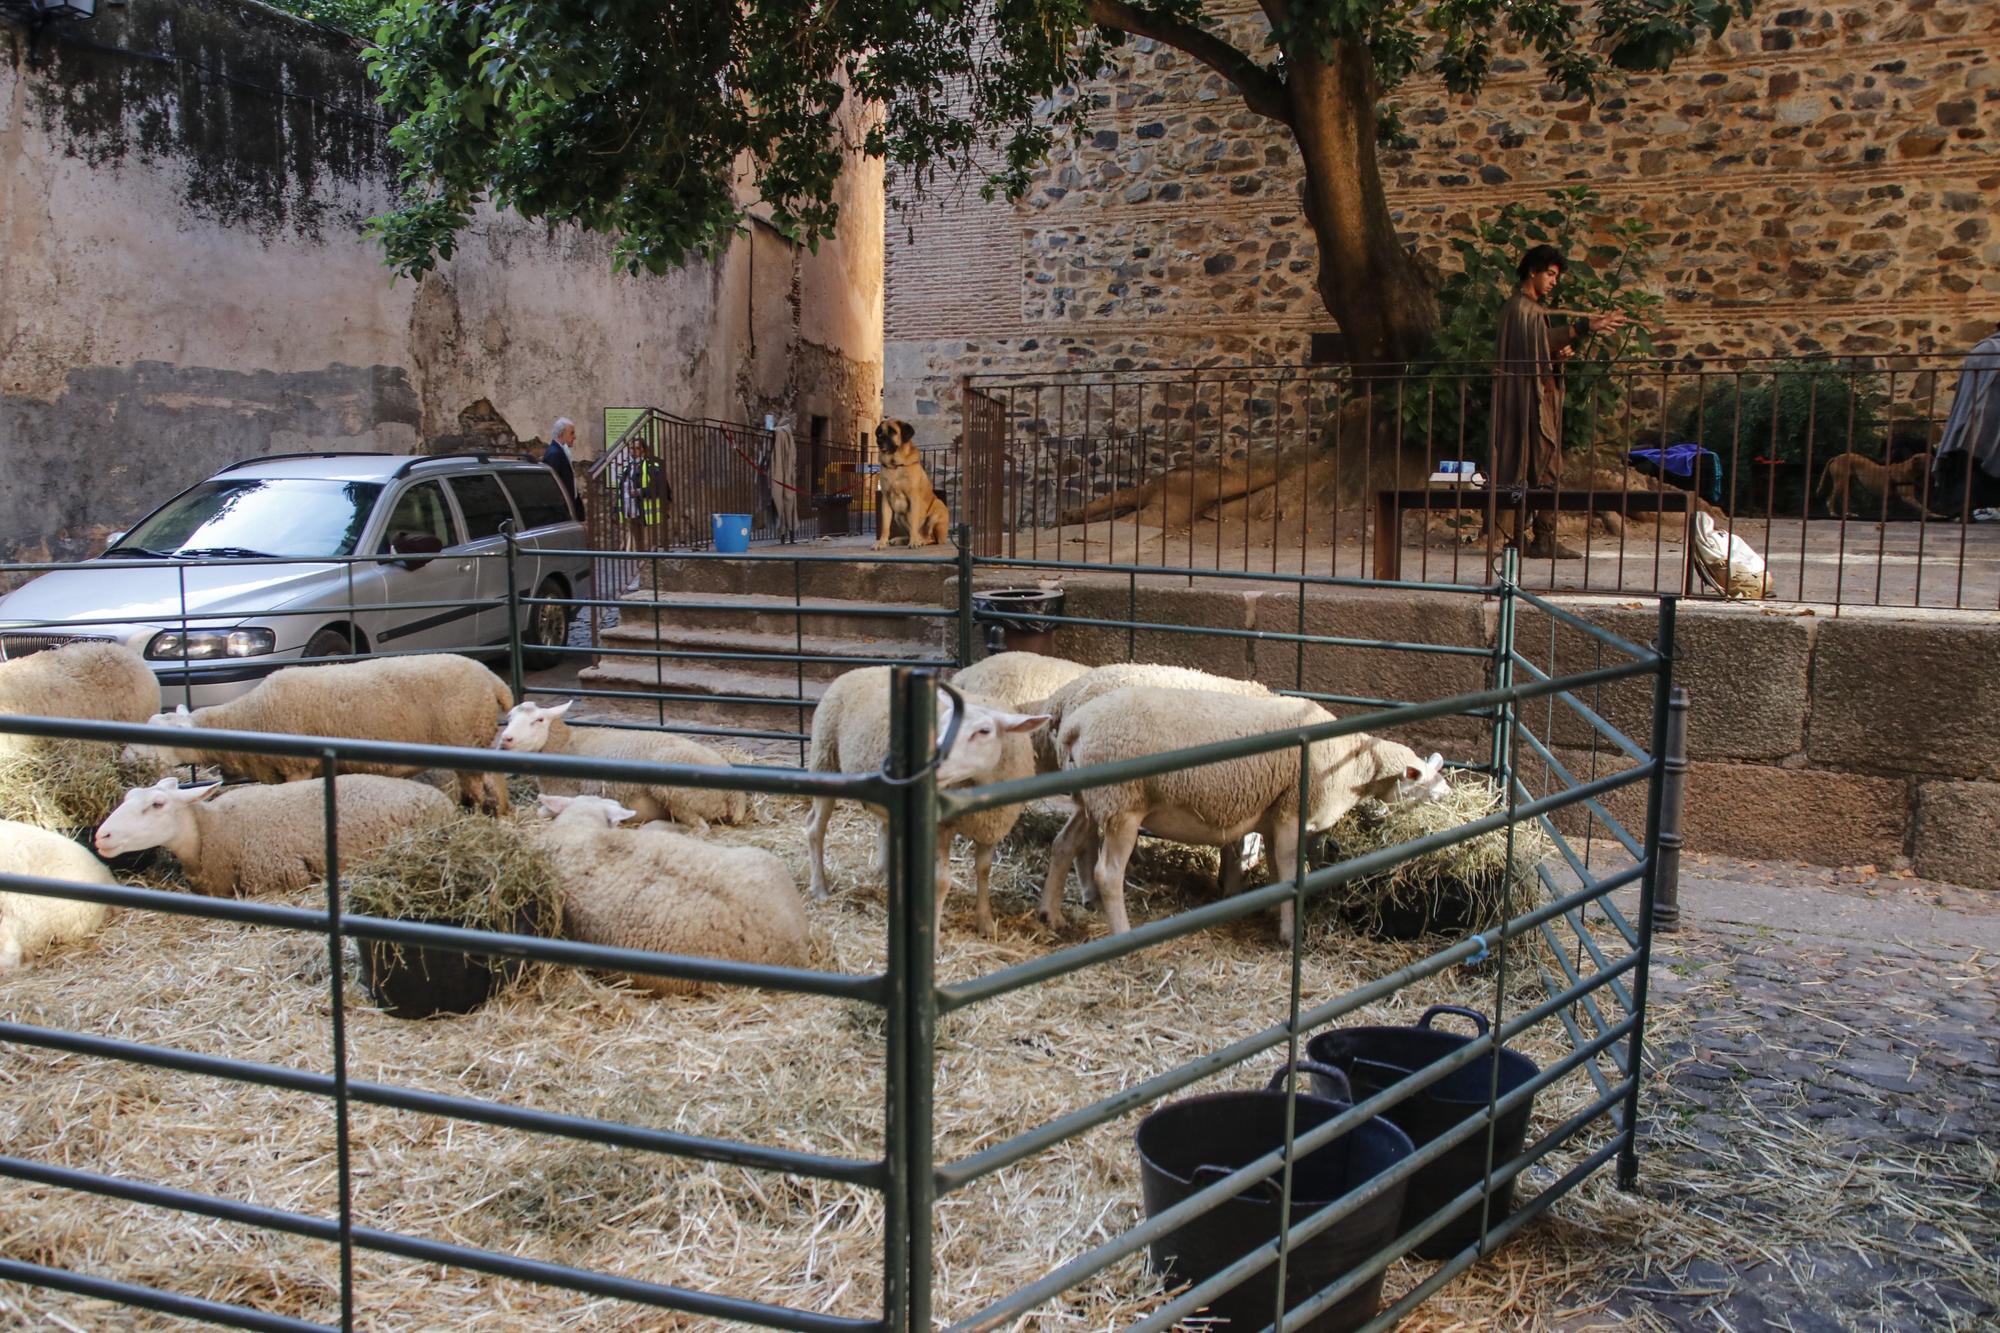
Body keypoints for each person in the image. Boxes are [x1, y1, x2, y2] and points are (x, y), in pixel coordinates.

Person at [1489, 245, 1628, 558]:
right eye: (1550, 274)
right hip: (1525, 400)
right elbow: (1533, 346)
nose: (1553, 281)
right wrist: (1581, 327)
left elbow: (1539, 350)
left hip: (1541, 397)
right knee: (1532, 463)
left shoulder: (1534, 309)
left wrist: (1559, 353)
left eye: (1556, 276)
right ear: (1532, 272)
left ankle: (1542, 536)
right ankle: (1521, 536)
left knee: (1546, 464)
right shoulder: (1520, 309)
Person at [1930, 322, 2000, 520]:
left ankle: (1964, 508)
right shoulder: (1990, 349)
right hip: (1988, 417)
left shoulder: (1984, 348)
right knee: (1976, 467)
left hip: (1971, 416)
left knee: (1968, 464)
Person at [543, 417, 584, 521]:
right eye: (571, 433)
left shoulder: (561, 451)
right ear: (561, 434)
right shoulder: (554, 453)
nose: (574, 437)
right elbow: (552, 484)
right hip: (561, 511)